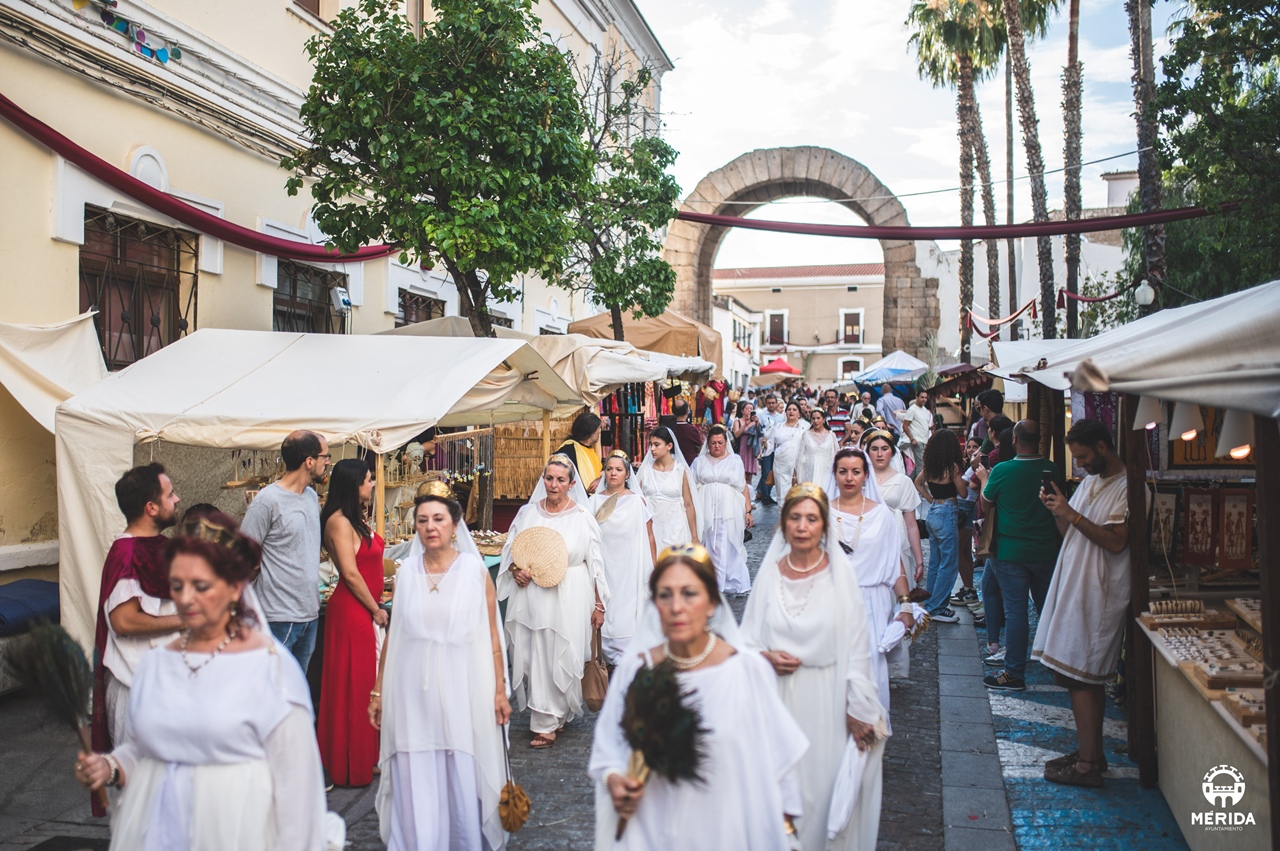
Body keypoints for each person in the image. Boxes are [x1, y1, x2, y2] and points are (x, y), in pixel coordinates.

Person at [74, 511, 333, 850]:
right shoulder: (156, 664)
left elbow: (297, 787)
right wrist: (111, 766)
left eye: (200, 586)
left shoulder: (270, 669)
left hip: (236, 832)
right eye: (177, 586)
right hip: (160, 832)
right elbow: (144, 751)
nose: (184, 599)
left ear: (234, 587)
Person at [589, 545, 809, 851]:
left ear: (712, 602)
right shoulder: (636, 670)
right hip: (653, 828)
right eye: (665, 595)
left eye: (689, 594)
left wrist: (783, 829)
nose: (676, 607)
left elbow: (778, 759)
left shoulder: (747, 671)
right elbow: (608, 746)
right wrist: (615, 778)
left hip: (726, 829)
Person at [742, 484, 887, 851]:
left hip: (828, 702)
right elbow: (747, 642)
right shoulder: (770, 574)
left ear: (824, 525)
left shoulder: (841, 575)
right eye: (795, 518)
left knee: (820, 795)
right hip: (778, 703)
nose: (802, 526)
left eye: (811, 518)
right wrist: (765, 658)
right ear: (783, 523)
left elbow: (857, 644)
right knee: (780, 800)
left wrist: (858, 706)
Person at [370, 486, 511, 849]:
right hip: (412, 691)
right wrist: (378, 691)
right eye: (422, 520)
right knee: (414, 764)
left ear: (455, 524)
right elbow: (395, 636)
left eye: (438, 519)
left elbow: (492, 637)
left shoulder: (474, 572)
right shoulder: (406, 575)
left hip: (460, 687)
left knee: (457, 764)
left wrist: (499, 691)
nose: (430, 527)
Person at [1033, 419, 1134, 789]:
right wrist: (1058, 511)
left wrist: (1072, 514)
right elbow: (1070, 531)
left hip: (1099, 593)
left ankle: (1089, 764)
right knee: (1078, 677)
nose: (1081, 464)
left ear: (1103, 447)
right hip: (1078, 587)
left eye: (1084, 456)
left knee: (1083, 676)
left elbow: (1117, 542)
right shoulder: (1092, 481)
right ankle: (1091, 753)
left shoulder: (1128, 488)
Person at [498, 456, 609, 747]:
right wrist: (516, 571)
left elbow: (595, 562)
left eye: (560, 480)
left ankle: (550, 718)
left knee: (560, 650)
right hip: (531, 595)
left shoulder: (582, 516)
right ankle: (549, 717)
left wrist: (599, 605)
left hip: (570, 593)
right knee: (533, 653)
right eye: (549, 478)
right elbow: (511, 552)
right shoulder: (527, 513)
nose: (554, 485)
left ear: (571, 484)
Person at [91, 463, 184, 776]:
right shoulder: (127, 554)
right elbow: (124, 621)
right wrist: (185, 620)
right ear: (151, 508)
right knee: (141, 789)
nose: (177, 499)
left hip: (165, 686)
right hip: (138, 690)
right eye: (170, 495)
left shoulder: (161, 547)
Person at [829, 449, 914, 739]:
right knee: (834, 675)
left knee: (870, 677)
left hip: (872, 605)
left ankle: (868, 742)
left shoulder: (881, 516)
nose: (849, 477)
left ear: (866, 476)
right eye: (843, 471)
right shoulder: (822, 514)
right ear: (834, 475)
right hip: (833, 603)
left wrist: (905, 605)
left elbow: (894, 563)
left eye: (856, 471)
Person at [973, 421, 1062, 693]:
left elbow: (986, 502)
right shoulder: (1052, 469)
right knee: (1049, 608)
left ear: (1014, 439)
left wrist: (985, 479)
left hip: (1010, 551)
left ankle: (1013, 672)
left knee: (1016, 613)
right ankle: (1060, 664)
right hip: (1045, 549)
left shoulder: (1003, 470)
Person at [317, 460, 387, 788]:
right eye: (369, 480)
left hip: (363, 607)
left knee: (366, 683)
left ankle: (365, 754)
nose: (372, 484)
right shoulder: (338, 522)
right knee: (353, 685)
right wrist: (375, 608)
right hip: (352, 610)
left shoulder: (354, 518)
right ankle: (349, 762)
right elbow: (350, 573)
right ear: (353, 484)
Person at [242, 430, 329, 673]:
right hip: (277, 617)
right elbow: (244, 555)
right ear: (309, 461)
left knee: (297, 687)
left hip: (309, 614)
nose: (327, 462)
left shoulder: (310, 496)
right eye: (325, 456)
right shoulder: (267, 501)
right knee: (272, 686)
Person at [590, 452, 658, 664]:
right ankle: (603, 652)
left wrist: (654, 566)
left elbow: (649, 534)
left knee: (628, 607)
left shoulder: (637, 502)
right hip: (604, 562)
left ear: (627, 474)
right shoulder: (594, 501)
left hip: (630, 562)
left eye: (618, 470)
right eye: (609, 469)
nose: (613, 473)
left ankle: (627, 654)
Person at [690, 425, 753, 595]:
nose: (717, 446)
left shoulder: (735, 461)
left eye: (720, 442)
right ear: (708, 444)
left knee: (728, 543)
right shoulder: (699, 462)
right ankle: (710, 581)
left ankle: (731, 580)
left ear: (726, 443)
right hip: (706, 509)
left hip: (729, 510)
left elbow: (743, 487)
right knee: (708, 543)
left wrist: (748, 511)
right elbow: (691, 486)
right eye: (713, 443)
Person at [914, 430, 969, 623]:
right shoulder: (952, 467)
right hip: (947, 512)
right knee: (949, 563)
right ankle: (937, 608)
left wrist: (931, 499)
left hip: (933, 512)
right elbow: (963, 493)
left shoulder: (930, 466)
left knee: (936, 562)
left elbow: (917, 483)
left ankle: (931, 604)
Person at [865, 431, 924, 593]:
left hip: (895, 541)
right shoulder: (860, 480)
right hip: (866, 542)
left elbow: (911, 525)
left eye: (884, 449)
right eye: (874, 449)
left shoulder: (903, 482)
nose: (879, 454)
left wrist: (919, 561)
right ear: (867, 452)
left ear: (892, 452)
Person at [636, 427, 700, 551]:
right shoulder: (645, 470)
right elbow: (637, 501)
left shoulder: (680, 470)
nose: (652, 449)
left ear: (669, 446)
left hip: (676, 528)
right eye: (651, 444)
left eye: (657, 445)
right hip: (652, 528)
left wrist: (694, 536)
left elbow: (688, 504)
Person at [555, 411, 605, 494]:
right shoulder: (569, 450)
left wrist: (600, 480)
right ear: (590, 430)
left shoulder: (590, 450)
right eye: (598, 428)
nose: (600, 431)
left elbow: (601, 472)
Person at [768, 401, 807, 501]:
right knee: (782, 494)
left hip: (799, 465)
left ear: (799, 413)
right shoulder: (778, 427)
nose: (791, 411)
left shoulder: (805, 428)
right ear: (785, 412)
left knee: (797, 495)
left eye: (794, 410)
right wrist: (764, 444)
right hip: (780, 465)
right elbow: (769, 446)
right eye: (789, 409)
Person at [794, 408, 839, 487]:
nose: (815, 421)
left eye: (818, 418)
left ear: (824, 419)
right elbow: (800, 457)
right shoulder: (806, 435)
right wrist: (797, 475)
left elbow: (836, 455)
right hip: (808, 474)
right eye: (813, 418)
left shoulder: (831, 436)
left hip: (826, 473)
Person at [755, 394, 784, 505]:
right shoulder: (761, 415)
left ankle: (767, 493)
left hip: (777, 448)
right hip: (766, 448)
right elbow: (758, 432)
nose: (771, 405)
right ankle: (765, 496)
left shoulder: (781, 417)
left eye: (773, 403)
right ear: (766, 403)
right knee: (766, 472)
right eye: (769, 403)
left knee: (774, 472)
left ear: (776, 403)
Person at [899, 391, 932, 476]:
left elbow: (921, 424)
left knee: (919, 466)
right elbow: (905, 426)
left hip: (925, 441)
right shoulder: (912, 410)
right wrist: (912, 439)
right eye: (922, 397)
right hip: (917, 442)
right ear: (917, 397)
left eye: (925, 397)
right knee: (921, 467)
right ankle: (919, 484)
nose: (924, 399)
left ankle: (910, 482)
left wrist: (930, 428)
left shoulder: (924, 410)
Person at [732, 400, 762, 488]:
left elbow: (760, 434)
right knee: (741, 475)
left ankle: (749, 492)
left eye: (751, 409)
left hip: (751, 450)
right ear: (742, 411)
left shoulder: (755, 422)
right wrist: (745, 425)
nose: (749, 411)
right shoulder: (737, 421)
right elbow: (736, 434)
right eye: (747, 409)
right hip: (741, 449)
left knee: (749, 476)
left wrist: (757, 423)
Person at [671, 399, 704, 465]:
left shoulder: (668, 427)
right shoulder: (692, 429)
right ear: (687, 412)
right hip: (689, 464)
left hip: (672, 463)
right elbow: (700, 448)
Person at [973, 389, 1005, 456]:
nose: (979, 412)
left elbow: (978, 460)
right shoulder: (1009, 424)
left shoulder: (992, 429)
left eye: (979, 408)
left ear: (985, 409)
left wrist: (973, 455)